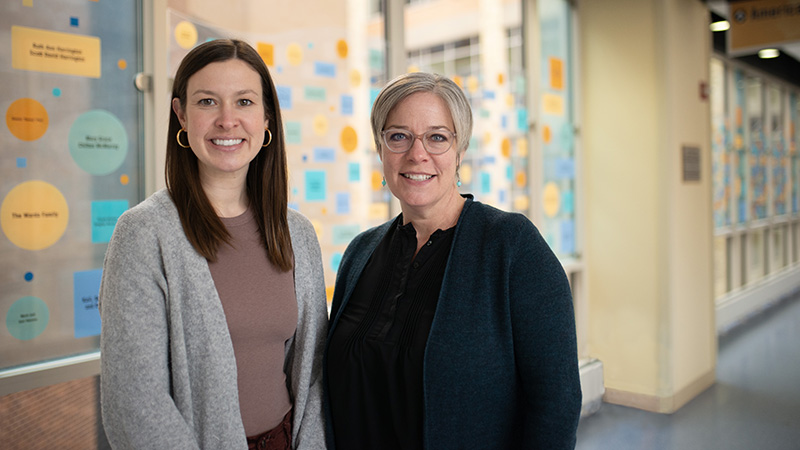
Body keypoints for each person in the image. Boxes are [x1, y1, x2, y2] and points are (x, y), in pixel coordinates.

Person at [324, 72, 582, 449]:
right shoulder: (360, 253)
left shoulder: (511, 247)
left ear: (460, 152)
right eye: (398, 136)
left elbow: (555, 403)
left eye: (437, 137)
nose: (417, 153)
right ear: (380, 149)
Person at [100, 39, 328, 450]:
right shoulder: (143, 234)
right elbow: (134, 405)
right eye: (207, 102)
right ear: (181, 116)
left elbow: (312, 375)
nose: (227, 120)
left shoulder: (297, 234)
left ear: (267, 117)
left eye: (244, 102)